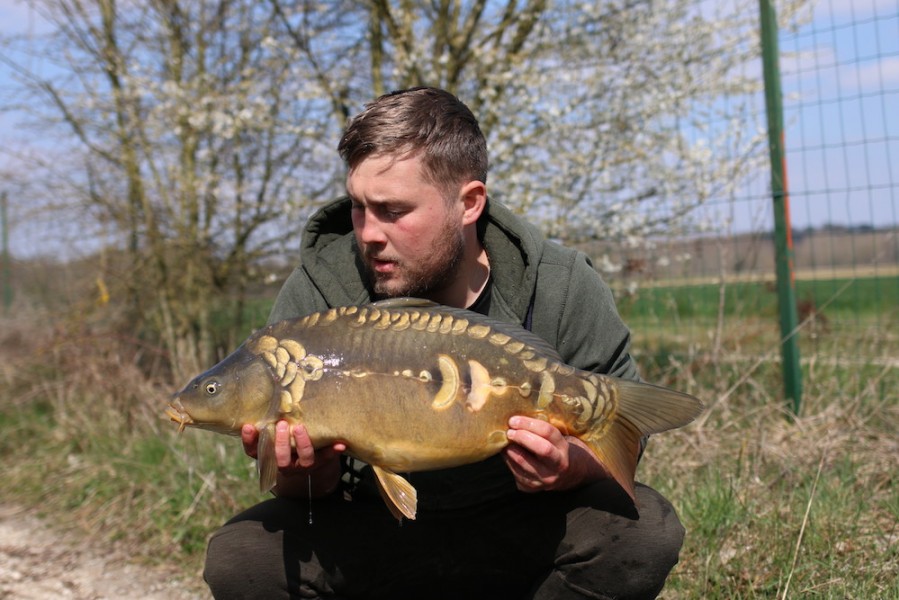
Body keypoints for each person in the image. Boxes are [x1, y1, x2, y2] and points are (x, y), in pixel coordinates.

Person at [203, 86, 685, 600]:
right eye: (359, 207)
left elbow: (625, 440)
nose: (367, 233)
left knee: (643, 531)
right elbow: (298, 492)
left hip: (521, 522)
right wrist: (309, 474)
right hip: (375, 524)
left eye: (393, 211)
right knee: (242, 558)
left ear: (469, 203)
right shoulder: (315, 296)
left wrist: (569, 467)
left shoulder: (560, 284)